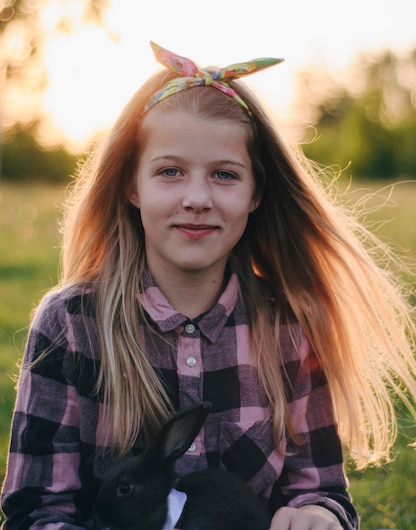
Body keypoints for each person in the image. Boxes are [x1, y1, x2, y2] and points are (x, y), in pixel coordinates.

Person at [2, 41, 416, 530]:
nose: (197, 198)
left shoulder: (292, 329)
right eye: (170, 172)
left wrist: (315, 516)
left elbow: (322, 492)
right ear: (132, 185)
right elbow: (36, 510)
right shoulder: (71, 326)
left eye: (223, 175)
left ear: (255, 192)